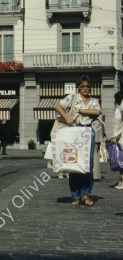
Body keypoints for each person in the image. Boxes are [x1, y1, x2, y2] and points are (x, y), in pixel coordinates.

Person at [54, 75, 101, 207]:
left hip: (88, 132)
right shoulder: (72, 98)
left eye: (88, 86)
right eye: (83, 86)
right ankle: (75, 195)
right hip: (74, 131)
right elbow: (57, 106)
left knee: (88, 163)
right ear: (79, 87)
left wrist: (80, 110)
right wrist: (67, 118)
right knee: (73, 163)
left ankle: (86, 194)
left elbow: (97, 112)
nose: (85, 88)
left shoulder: (94, 100)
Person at [107, 91, 123, 189]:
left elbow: (118, 124)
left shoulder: (119, 108)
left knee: (121, 160)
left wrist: (114, 136)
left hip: (121, 136)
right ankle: (121, 181)